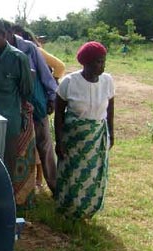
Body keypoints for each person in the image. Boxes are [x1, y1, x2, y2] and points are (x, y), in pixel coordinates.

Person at [0, 18, 35, 209]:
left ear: (4, 35)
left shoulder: (18, 58)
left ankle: (4, 210)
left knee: (5, 169)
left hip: (7, 125)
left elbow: (26, 90)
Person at [54, 41, 115, 220]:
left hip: (97, 136)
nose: (102, 65)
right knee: (72, 174)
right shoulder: (69, 82)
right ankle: (68, 209)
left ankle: (89, 209)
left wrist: (111, 134)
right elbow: (59, 114)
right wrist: (59, 141)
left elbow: (110, 110)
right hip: (74, 137)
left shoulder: (107, 81)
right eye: (98, 61)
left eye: (103, 61)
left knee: (94, 174)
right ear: (86, 63)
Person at [4, 20, 58, 195]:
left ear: (11, 32)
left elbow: (46, 75)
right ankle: (22, 191)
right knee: (20, 149)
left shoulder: (29, 48)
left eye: (5, 33)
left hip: (37, 105)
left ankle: (55, 187)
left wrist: (52, 98)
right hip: (15, 109)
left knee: (44, 146)